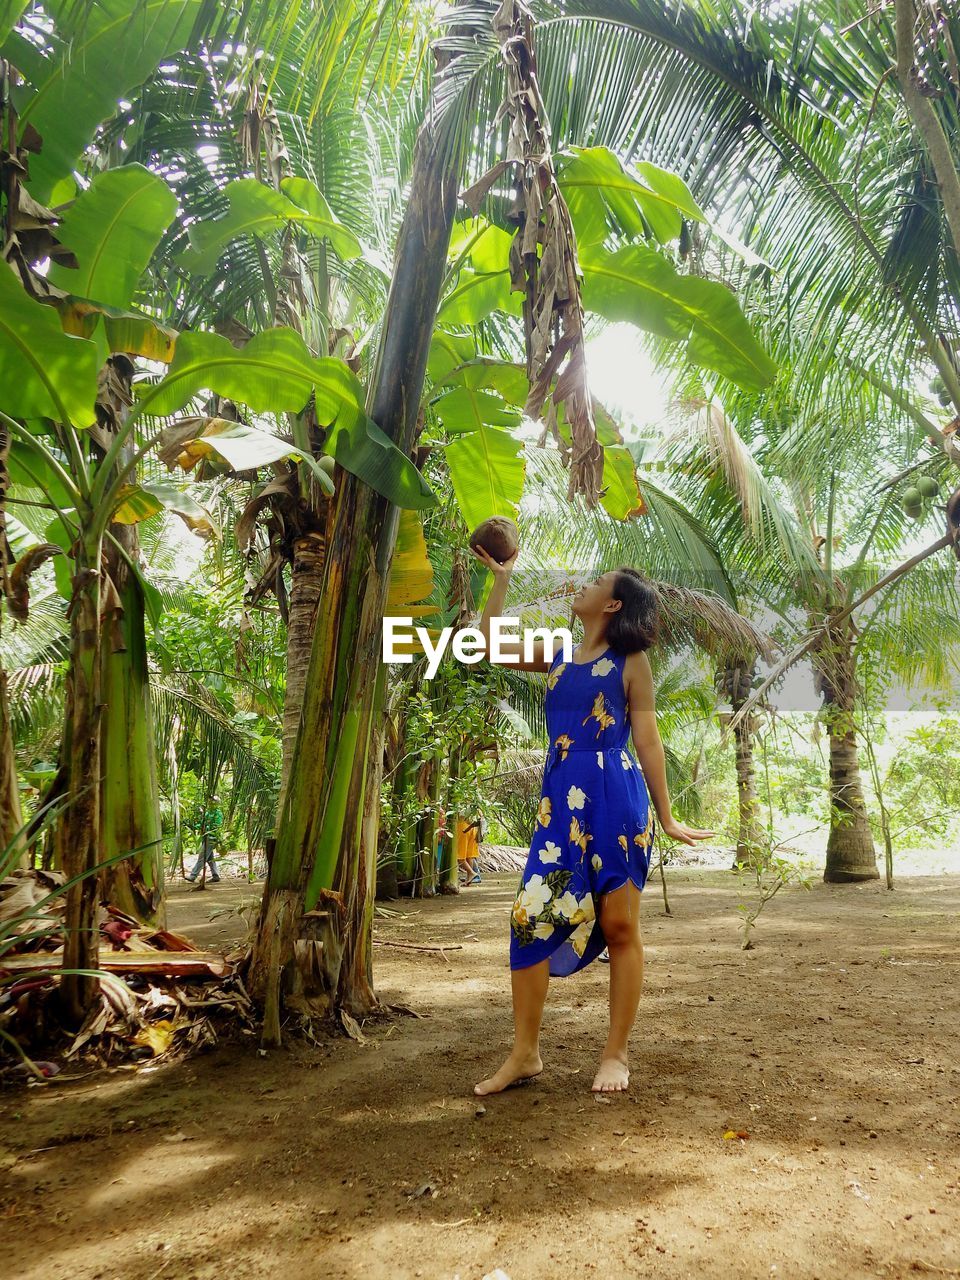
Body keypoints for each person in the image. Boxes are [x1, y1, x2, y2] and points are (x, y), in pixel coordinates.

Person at [469, 546, 714, 1096]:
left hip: (616, 800)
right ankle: (524, 1054)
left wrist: (668, 815)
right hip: (560, 803)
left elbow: (647, 740)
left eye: (598, 581)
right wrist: (501, 581)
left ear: (613, 605)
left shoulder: (631, 664)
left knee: (622, 925)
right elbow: (487, 645)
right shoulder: (556, 652)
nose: (584, 584)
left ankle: (616, 1053)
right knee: (530, 917)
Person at [185, 795, 225, 883]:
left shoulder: (218, 813)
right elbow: (202, 824)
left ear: (217, 803)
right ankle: (215, 875)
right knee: (210, 859)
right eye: (210, 800)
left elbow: (217, 826)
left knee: (202, 857)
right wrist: (193, 826)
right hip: (205, 837)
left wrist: (207, 828)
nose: (211, 802)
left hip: (211, 837)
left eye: (213, 801)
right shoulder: (207, 813)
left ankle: (193, 875)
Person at [457, 815, 483, 886]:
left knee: (459, 856)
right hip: (472, 827)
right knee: (469, 856)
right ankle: (468, 879)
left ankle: (472, 873)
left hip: (462, 828)